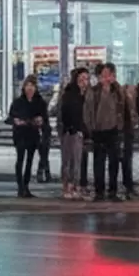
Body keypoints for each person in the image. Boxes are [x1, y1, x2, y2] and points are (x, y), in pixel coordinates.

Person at [85, 64, 129, 202]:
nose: (106, 78)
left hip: (114, 130)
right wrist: (90, 128)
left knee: (114, 162)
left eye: (109, 75)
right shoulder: (94, 91)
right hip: (98, 131)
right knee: (99, 162)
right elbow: (87, 111)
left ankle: (113, 191)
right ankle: (99, 191)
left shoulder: (117, 91)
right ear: (99, 77)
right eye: (103, 75)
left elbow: (125, 108)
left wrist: (123, 126)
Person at [7, 75, 49, 198]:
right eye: (27, 86)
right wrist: (16, 121)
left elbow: (45, 118)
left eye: (32, 86)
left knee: (30, 160)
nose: (30, 89)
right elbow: (10, 117)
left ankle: (26, 186)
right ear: (24, 87)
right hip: (20, 134)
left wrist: (40, 120)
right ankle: (20, 187)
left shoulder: (40, 102)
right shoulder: (18, 102)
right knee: (20, 159)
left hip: (33, 133)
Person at [58, 67, 89, 199]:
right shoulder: (69, 94)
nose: (84, 82)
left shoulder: (87, 95)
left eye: (86, 79)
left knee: (78, 161)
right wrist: (70, 128)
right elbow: (65, 113)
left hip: (82, 132)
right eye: (81, 79)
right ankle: (67, 185)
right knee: (68, 160)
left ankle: (76, 185)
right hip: (70, 131)